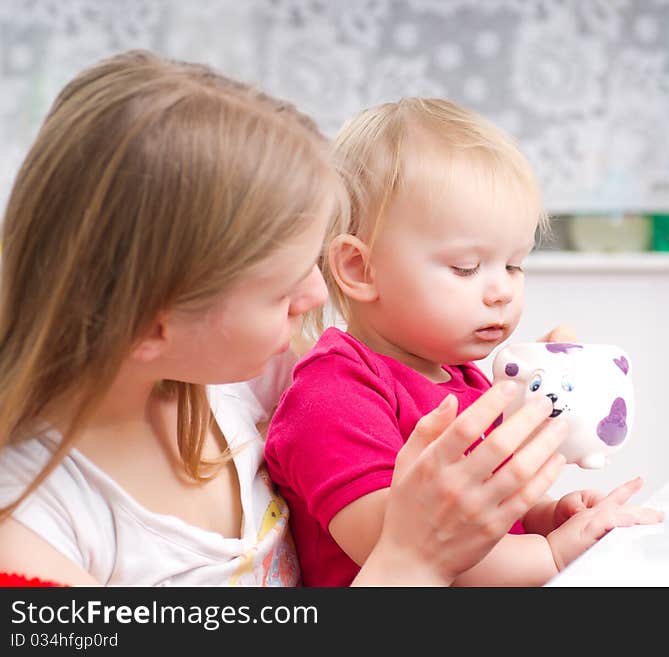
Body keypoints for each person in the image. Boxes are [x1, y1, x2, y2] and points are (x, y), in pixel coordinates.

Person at [0, 51, 579, 587]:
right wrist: (413, 561)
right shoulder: (30, 530)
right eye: (280, 290)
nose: (314, 295)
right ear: (153, 322)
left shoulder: (244, 382)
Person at [264, 98, 663, 587]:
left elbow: (481, 518)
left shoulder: (463, 377)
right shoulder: (333, 393)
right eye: (466, 268)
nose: (502, 292)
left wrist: (545, 517)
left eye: (514, 265)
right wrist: (552, 554)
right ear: (359, 269)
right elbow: (411, 546)